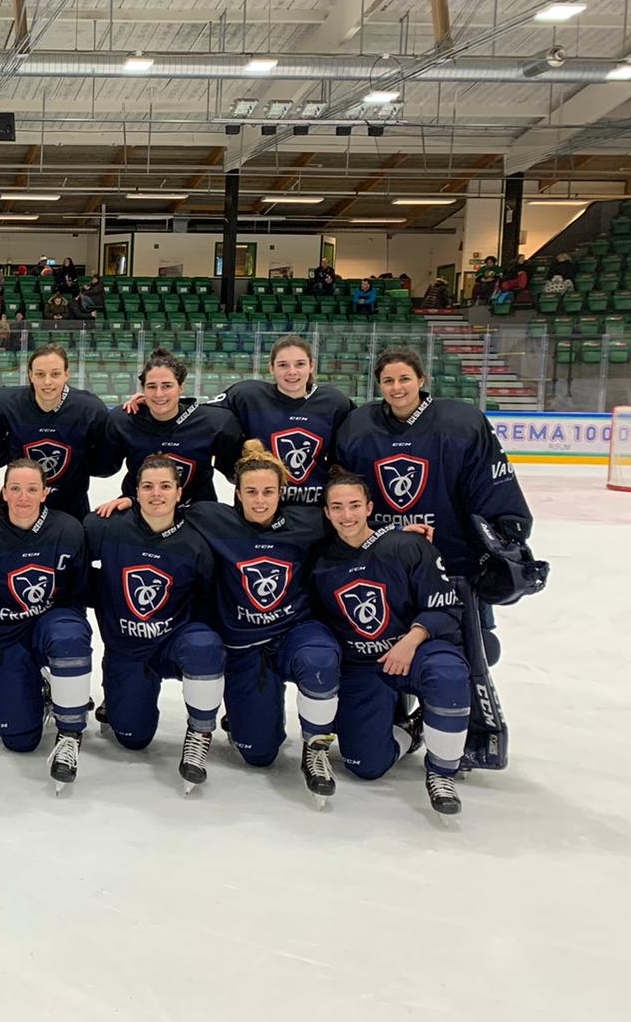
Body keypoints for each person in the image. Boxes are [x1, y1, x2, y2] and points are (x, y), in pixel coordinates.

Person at [332, 348, 538, 768]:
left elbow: (491, 487)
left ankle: (469, 735)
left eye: (404, 379)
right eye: (388, 381)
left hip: (452, 563)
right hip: (384, 563)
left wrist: (505, 540)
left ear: (421, 379)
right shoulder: (359, 427)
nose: (397, 387)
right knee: (384, 644)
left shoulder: (460, 423)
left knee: (469, 650)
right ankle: (390, 719)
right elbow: (345, 494)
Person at [310, 469, 471, 815]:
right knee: (363, 764)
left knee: (448, 673)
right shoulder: (322, 564)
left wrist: (411, 640)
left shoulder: (407, 545)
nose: (347, 515)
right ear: (326, 513)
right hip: (364, 667)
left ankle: (442, 773)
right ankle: (411, 730)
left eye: (354, 505)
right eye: (337, 507)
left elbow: (446, 608)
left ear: (370, 507)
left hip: (415, 651)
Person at [184, 441, 341, 782]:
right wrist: (127, 504)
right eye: (251, 491)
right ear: (237, 493)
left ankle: (316, 748)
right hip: (244, 646)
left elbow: (355, 527)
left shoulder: (309, 522)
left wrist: (399, 536)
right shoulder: (211, 518)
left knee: (320, 660)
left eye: (269, 491)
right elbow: (159, 510)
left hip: (294, 632)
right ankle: (245, 717)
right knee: (258, 755)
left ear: (282, 491)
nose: (260, 500)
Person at [83, 455, 224, 790]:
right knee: (132, 738)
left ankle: (199, 731)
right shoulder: (107, 527)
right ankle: (117, 691)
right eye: (147, 486)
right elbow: (75, 571)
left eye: (165, 486)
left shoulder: (196, 540)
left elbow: (207, 598)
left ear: (179, 493)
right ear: (135, 491)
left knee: (205, 645)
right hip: (128, 650)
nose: (156, 494)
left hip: (174, 644)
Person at [0, 459, 92, 788]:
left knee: (69, 636)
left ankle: (69, 733)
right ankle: (41, 689)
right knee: (19, 740)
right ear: (3, 492)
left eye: (32, 489)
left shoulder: (68, 529)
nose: (23, 497)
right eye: (15, 489)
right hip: (4, 637)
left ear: (45, 493)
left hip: (52, 621)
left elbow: (80, 589)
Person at [200, 335, 354, 505]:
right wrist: (234, 464)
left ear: (312, 366)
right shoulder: (248, 396)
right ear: (271, 368)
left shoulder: (333, 402)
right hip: (258, 507)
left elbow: (348, 449)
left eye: (300, 364)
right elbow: (206, 420)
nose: (292, 371)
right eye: (283, 365)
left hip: (313, 509)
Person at [0, 342, 110, 520]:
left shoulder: (90, 410)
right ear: (30, 375)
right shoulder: (4, 404)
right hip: (17, 509)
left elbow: (101, 463)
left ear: (67, 374)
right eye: (40, 374)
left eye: (55, 374)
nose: (47, 382)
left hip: (70, 511)